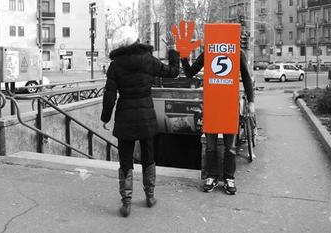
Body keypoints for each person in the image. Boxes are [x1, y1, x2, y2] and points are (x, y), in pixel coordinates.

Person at [101, 26, 180, 217]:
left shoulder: (115, 65)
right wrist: (172, 49)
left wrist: (106, 117)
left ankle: (126, 202)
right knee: (149, 156)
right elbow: (173, 72)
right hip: (146, 116)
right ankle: (150, 196)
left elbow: (109, 94)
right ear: (136, 39)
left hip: (125, 117)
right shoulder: (148, 60)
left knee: (125, 159)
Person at [181, 48, 255, 195]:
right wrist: (183, 56)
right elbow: (190, 72)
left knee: (230, 147)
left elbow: (246, 76)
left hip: (229, 104)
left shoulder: (237, 52)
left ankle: (228, 178)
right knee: (210, 146)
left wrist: (251, 101)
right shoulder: (209, 52)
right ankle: (212, 176)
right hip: (212, 104)